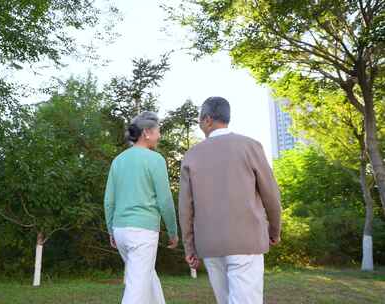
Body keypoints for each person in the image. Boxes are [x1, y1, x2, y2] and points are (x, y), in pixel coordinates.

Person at [178, 97, 282, 304]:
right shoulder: (250, 146)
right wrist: (274, 231)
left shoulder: (191, 156)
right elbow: (271, 195)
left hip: (210, 244)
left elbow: (185, 208)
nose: (199, 124)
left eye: (200, 119)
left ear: (207, 120)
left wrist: (190, 247)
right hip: (247, 240)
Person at [104, 111, 179, 304]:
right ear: (147, 132)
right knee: (136, 289)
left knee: (147, 277)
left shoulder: (118, 160)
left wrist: (111, 229)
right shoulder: (155, 160)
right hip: (142, 233)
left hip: (120, 230)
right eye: (158, 131)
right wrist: (172, 231)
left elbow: (109, 200)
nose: (160, 135)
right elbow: (165, 200)